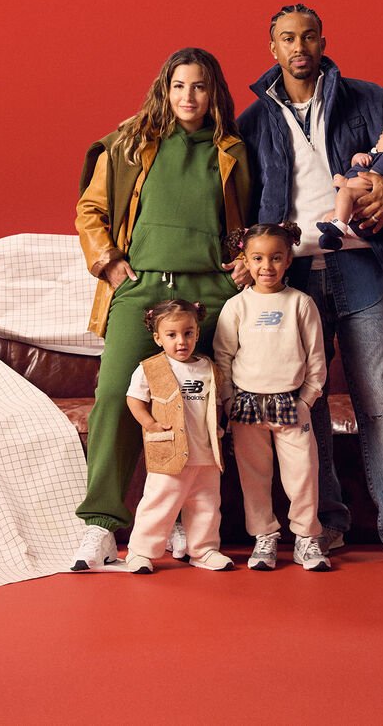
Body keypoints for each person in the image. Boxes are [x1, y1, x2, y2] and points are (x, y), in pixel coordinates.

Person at [236, 3, 383, 573]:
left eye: (307, 36)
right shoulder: (253, 121)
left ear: (323, 41)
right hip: (291, 277)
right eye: (286, 39)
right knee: (306, 403)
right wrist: (245, 257)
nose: (298, 47)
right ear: (271, 47)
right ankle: (325, 525)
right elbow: (240, 200)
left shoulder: (371, 100)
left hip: (360, 266)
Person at [71, 47, 252, 570]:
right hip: (143, 286)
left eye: (198, 87)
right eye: (178, 86)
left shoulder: (234, 151)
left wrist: (240, 263)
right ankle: (101, 526)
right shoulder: (131, 143)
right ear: (164, 89)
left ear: (213, 92)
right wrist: (107, 262)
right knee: (114, 399)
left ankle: (179, 518)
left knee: (202, 407)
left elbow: (249, 221)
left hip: (208, 292)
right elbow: (91, 207)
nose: (188, 97)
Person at [213, 223, 331, 571]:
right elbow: (223, 357)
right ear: (245, 261)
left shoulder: (300, 304)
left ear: (288, 259)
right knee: (254, 475)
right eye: (258, 258)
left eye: (276, 258)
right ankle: (264, 536)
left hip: (292, 404)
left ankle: (307, 538)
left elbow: (316, 358)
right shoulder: (236, 306)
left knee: (303, 473)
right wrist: (229, 400)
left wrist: (307, 399)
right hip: (247, 404)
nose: (267, 266)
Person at [122, 299, 235, 573]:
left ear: (197, 332)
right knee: (159, 501)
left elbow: (216, 403)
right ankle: (139, 552)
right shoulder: (151, 368)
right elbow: (134, 400)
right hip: (169, 450)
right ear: (158, 338)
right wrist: (149, 424)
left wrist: (219, 427)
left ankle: (204, 550)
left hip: (205, 452)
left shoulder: (208, 368)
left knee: (206, 504)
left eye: (188, 333)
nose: (181, 341)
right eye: (171, 335)